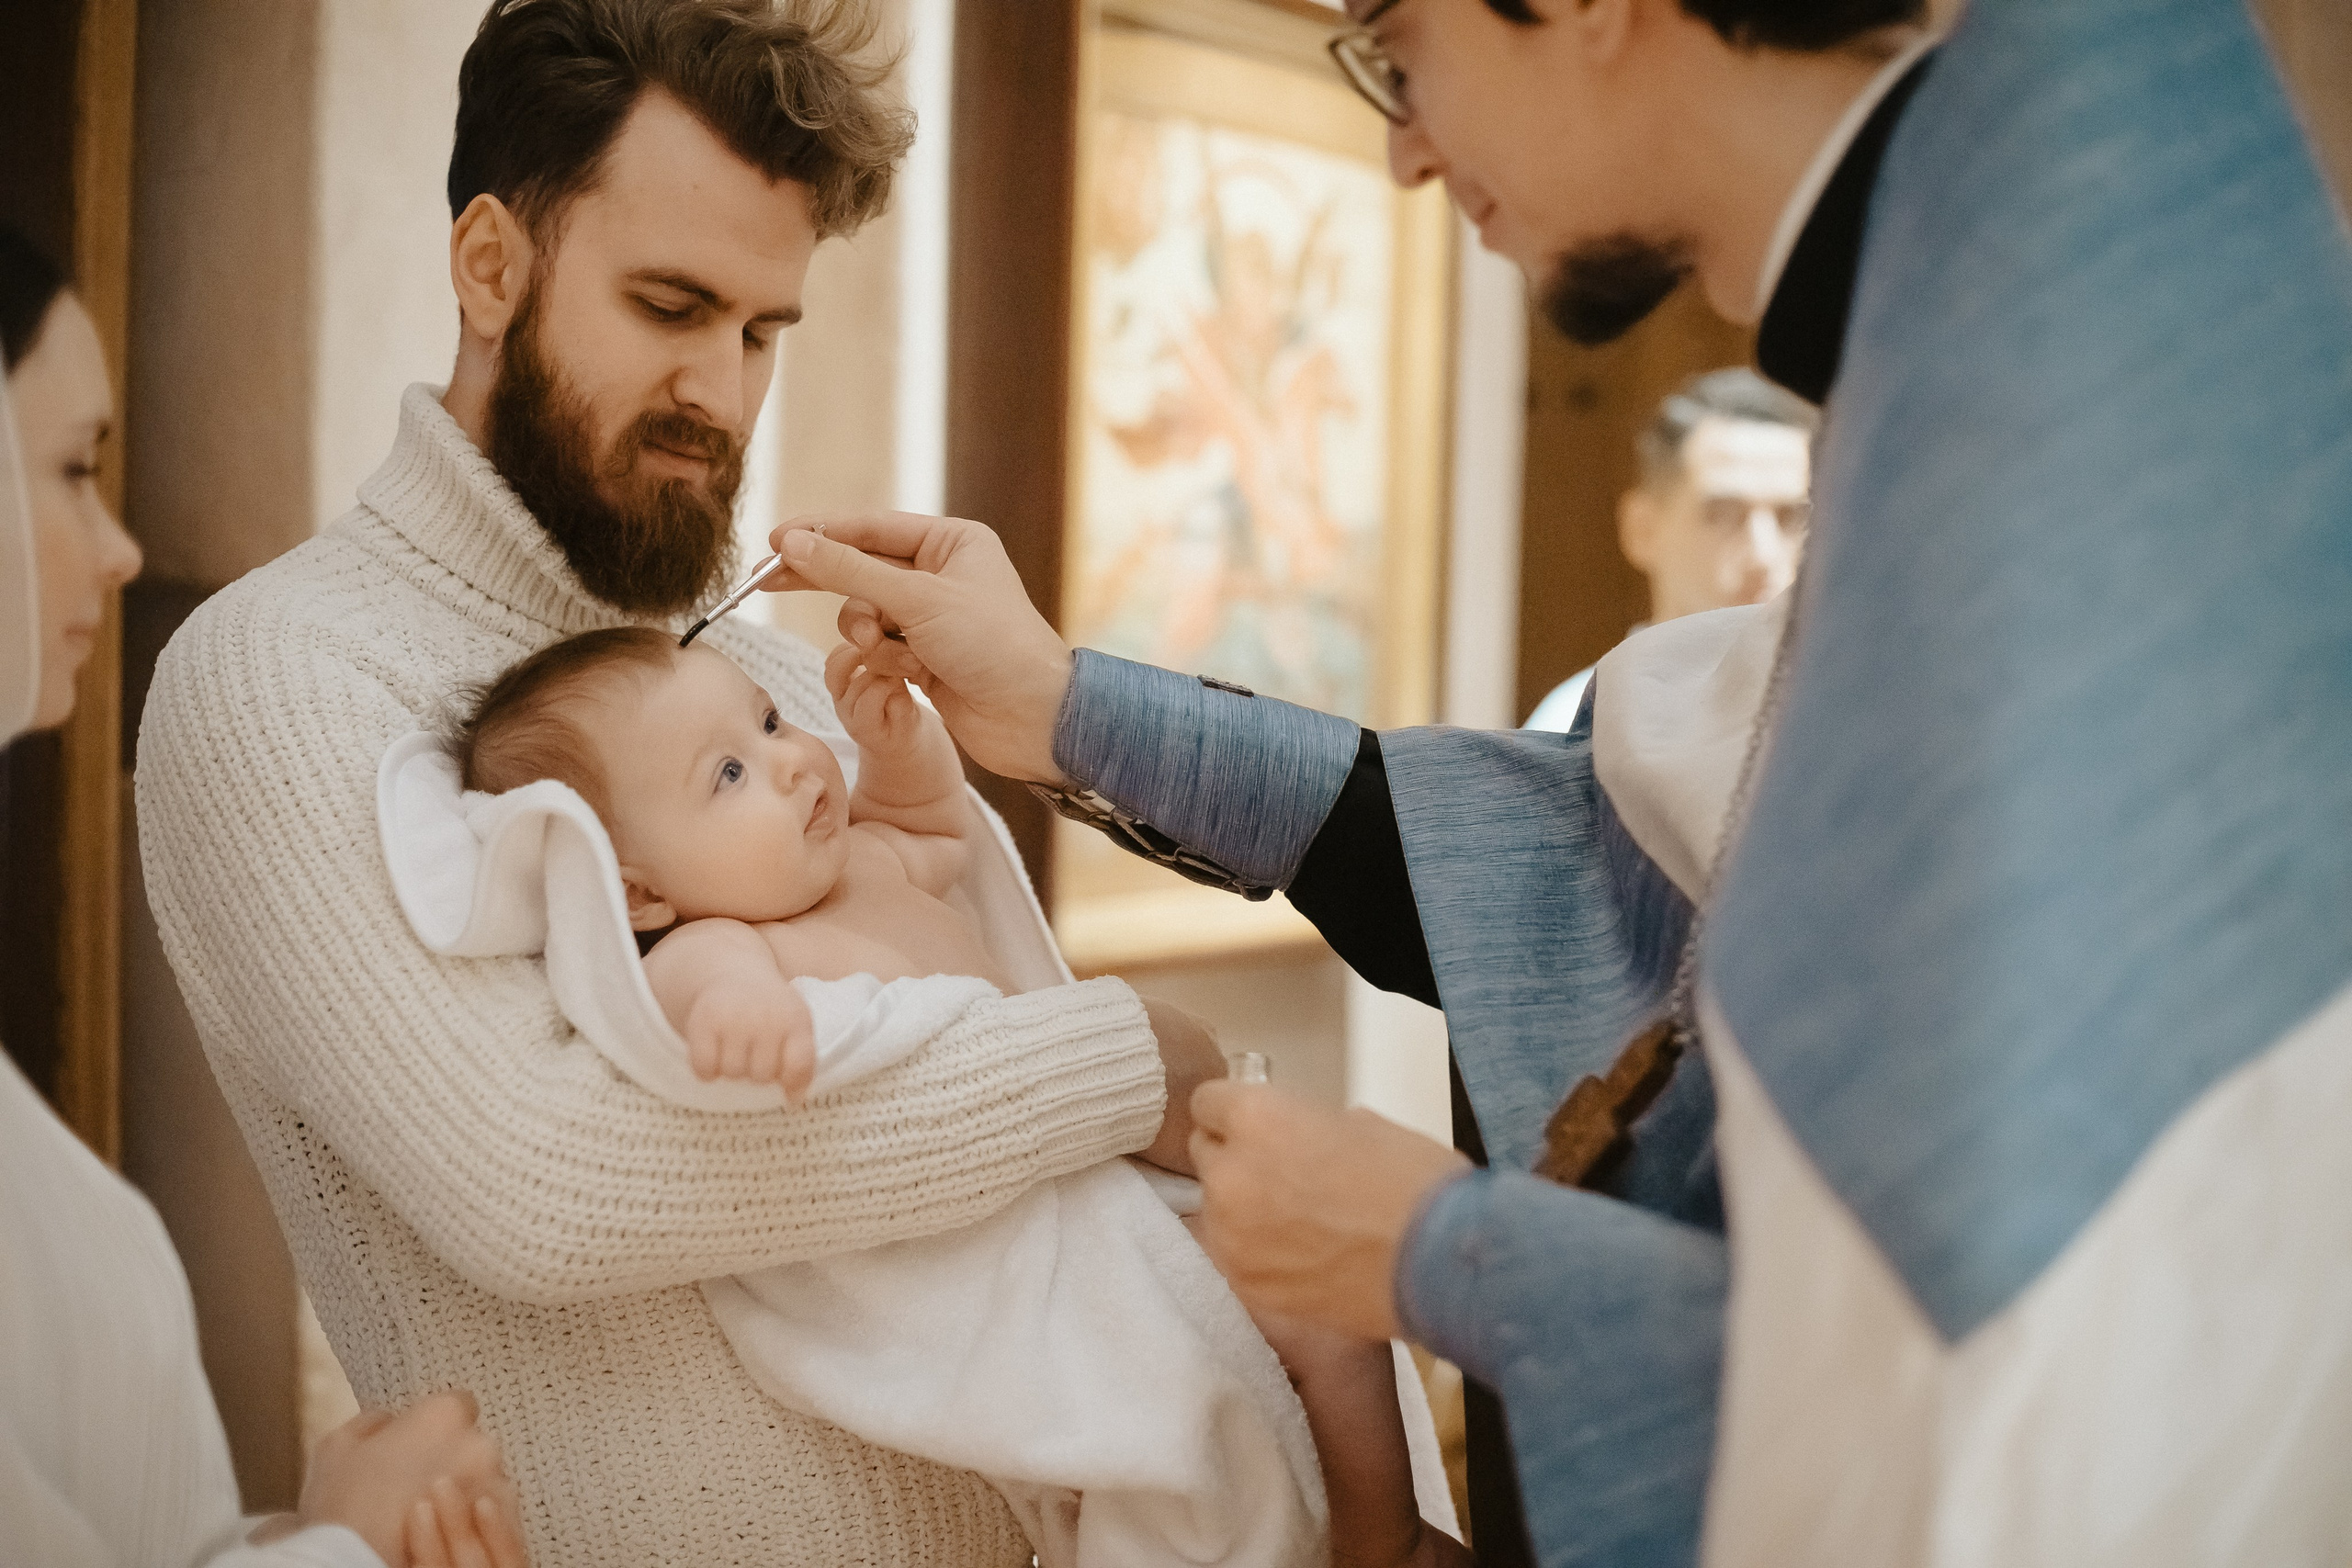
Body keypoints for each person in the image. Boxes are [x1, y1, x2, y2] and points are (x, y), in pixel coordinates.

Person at [765, 0, 2352, 1564]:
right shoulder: (1989, 281)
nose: (1398, 148)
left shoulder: (2057, 397)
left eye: (1402, 46)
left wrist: (1436, 1250)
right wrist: (1061, 707)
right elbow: (1586, 839)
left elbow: (2069, 1410)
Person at [136, 3, 1227, 1561]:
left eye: (764, 331)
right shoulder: (281, 678)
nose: (722, 393)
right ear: (490, 266)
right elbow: (553, 1180)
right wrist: (1132, 1067)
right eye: (671, 306)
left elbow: (973, 1016)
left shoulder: (782, 691)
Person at [445, 624, 1468, 1567]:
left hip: (1101, 1193)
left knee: (1335, 1308)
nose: (794, 759)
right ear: (636, 893)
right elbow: (690, 1000)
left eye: (766, 718)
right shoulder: (721, 943)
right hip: (1035, 1261)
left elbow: (940, 832)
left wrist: (898, 750)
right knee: (1245, 1372)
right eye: (728, 773)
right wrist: (739, 1018)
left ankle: (1383, 1537)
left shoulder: (864, 858)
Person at [0, 226, 528, 1568]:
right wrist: (342, 1543)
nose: (120, 549)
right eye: (68, 469)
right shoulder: (264, 680)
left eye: (765, 334)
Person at [1522, 367, 1814, 731]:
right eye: (1723, 514)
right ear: (1642, 530)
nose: (1763, 554)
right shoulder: (1575, 729)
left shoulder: (1842, 719)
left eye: (1793, 518)